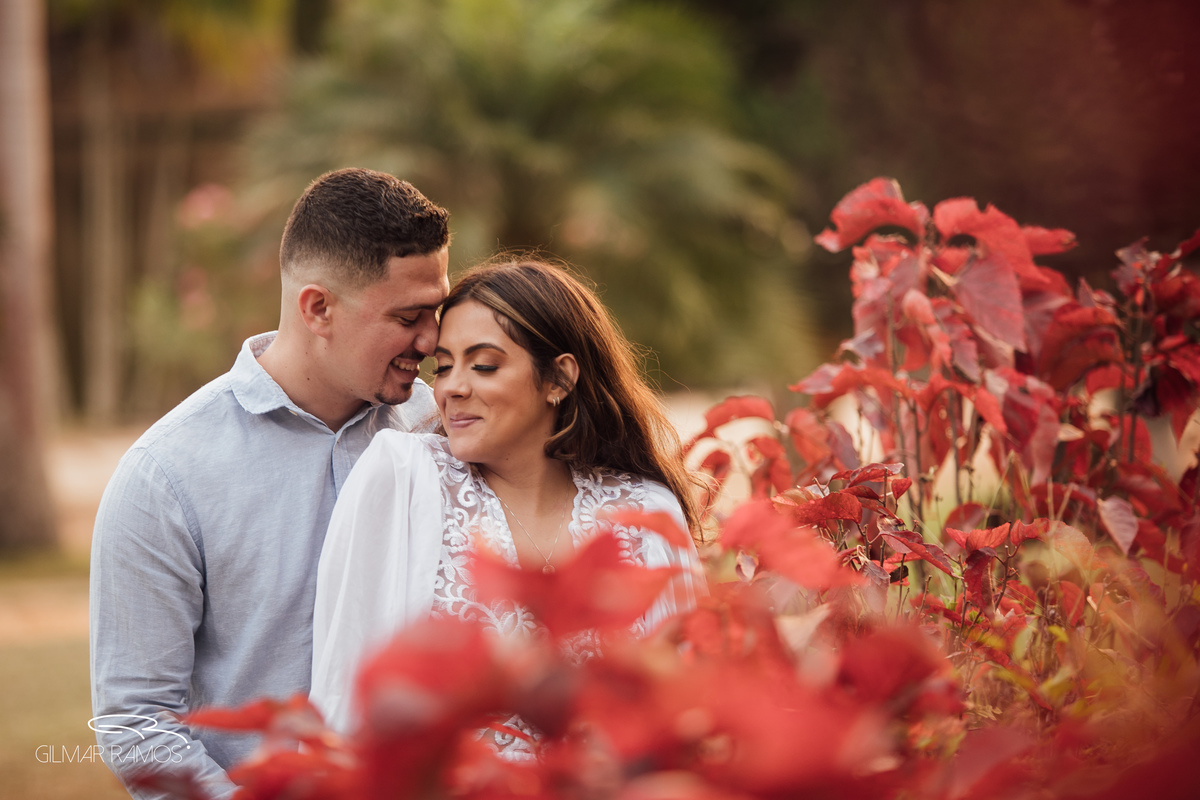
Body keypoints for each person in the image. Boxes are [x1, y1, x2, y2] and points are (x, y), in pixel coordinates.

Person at [90, 168, 450, 799]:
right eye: (409, 316)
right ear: (318, 308)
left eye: (439, 311)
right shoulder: (166, 477)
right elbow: (136, 722)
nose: (433, 339)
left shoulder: (445, 428)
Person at [309, 259, 705, 755]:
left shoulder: (646, 514)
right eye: (445, 365)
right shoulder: (403, 476)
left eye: (484, 365)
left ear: (558, 379)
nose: (451, 387)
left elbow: (682, 719)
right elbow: (343, 698)